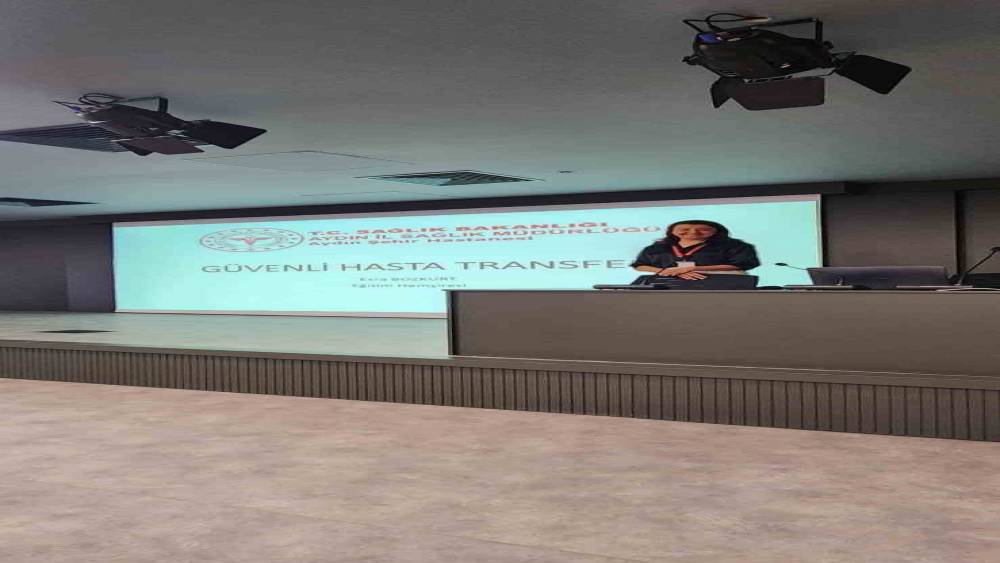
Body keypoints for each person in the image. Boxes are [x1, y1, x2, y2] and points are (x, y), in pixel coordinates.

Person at [631, 220, 760, 280]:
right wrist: (666, 271)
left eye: (703, 229)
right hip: (667, 281)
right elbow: (640, 265)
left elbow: (742, 264)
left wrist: (692, 268)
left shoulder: (736, 245)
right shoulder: (657, 247)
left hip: (722, 281)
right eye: (684, 229)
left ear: (717, 231)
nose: (693, 232)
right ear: (672, 231)